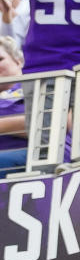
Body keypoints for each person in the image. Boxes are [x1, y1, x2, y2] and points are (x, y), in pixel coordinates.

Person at [0, 36, 27, 177]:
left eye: (0, 59)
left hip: (27, 157)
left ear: (18, 61)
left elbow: (49, 124)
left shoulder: (34, 87)